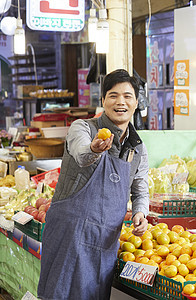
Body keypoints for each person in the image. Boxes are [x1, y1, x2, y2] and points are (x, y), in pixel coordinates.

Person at [38, 69, 150, 299]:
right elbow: (81, 154)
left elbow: (140, 189)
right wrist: (94, 149)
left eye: (128, 96)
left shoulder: (137, 147)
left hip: (105, 241)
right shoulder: (83, 128)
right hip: (69, 235)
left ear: (136, 102)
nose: (121, 102)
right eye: (113, 95)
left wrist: (141, 212)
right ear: (103, 100)